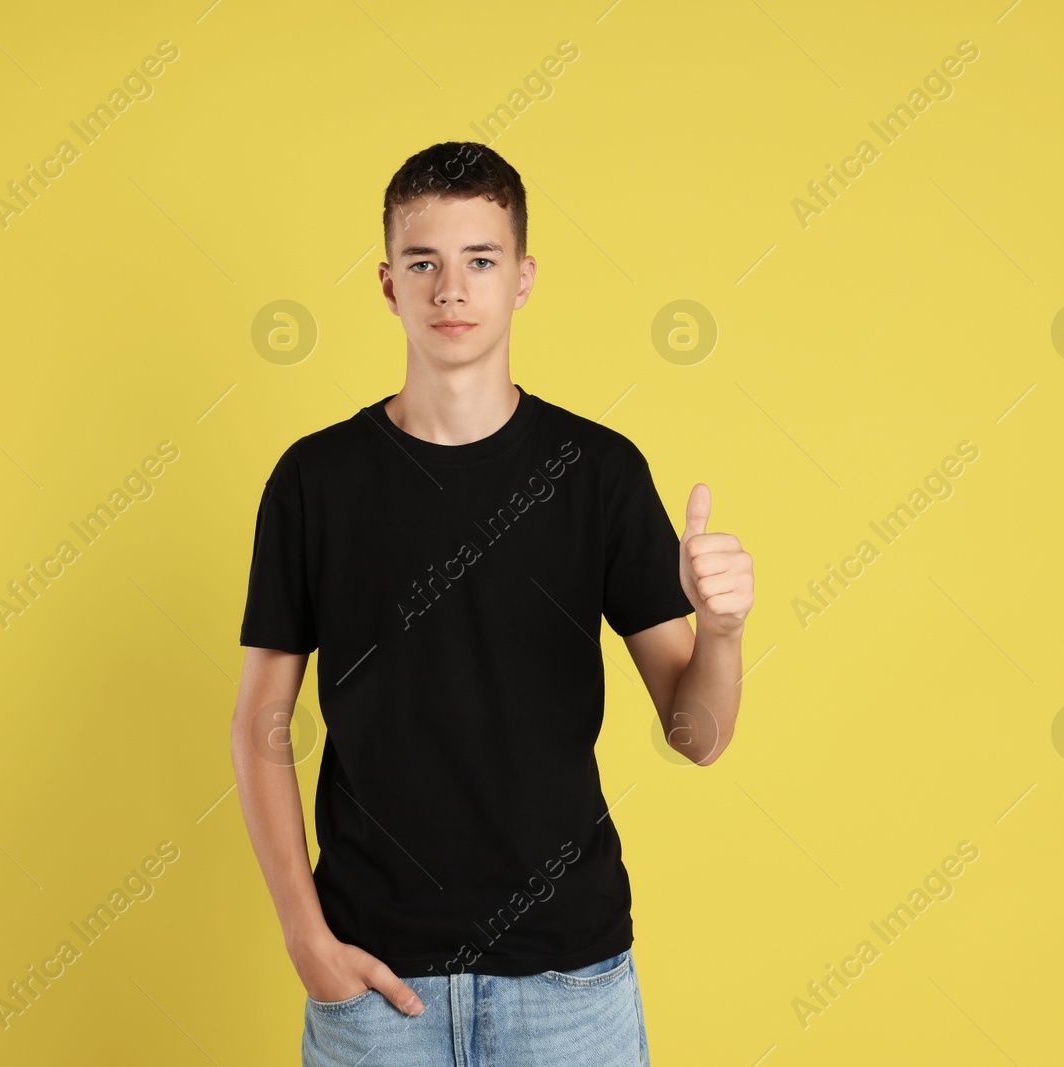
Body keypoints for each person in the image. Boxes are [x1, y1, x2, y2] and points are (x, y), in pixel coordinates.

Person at [232, 141, 755, 1066]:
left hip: (570, 985)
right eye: (424, 263)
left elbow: (696, 734)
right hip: (374, 984)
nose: (451, 290)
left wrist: (722, 632)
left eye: (481, 260)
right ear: (388, 284)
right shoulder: (316, 480)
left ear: (522, 279)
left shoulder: (597, 472)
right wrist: (305, 940)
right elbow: (261, 720)